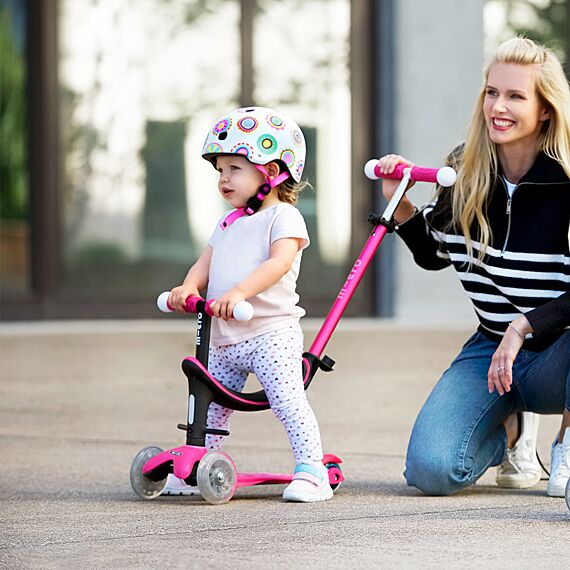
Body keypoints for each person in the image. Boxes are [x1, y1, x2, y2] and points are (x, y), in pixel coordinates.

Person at [377, 37, 570, 496]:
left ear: (545, 110)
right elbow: (434, 254)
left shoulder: (566, 180)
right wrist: (399, 204)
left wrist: (524, 326)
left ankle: (565, 444)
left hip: (558, 354)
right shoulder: (465, 169)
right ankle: (512, 434)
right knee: (431, 470)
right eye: (492, 92)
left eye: (516, 96)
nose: (498, 107)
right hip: (492, 350)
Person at [162, 106, 333, 503]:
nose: (224, 178)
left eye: (234, 168)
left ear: (270, 172)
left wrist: (238, 292)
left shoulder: (283, 217)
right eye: (220, 170)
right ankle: (201, 464)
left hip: (270, 334)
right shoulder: (227, 223)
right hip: (225, 337)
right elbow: (205, 264)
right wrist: (187, 287)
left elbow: (279, 263)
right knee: (210, 405)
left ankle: (313, 470)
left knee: (287, 400)